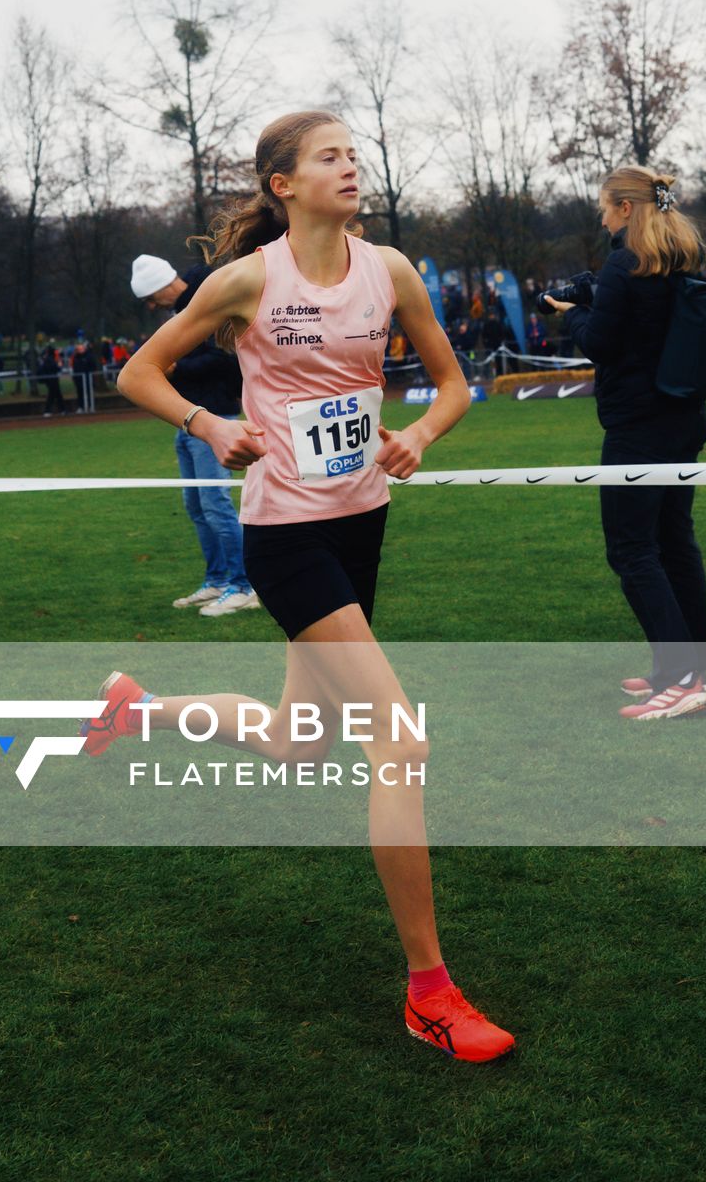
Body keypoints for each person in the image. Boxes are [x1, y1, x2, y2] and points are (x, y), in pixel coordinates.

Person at [106, 111, 514, 1061]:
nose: (351, 166)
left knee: (297, 741)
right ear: (283, 183)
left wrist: (417, 435)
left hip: (361, 522)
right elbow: (140, 371)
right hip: (285, 536)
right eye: (330, 156)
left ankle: (138, 709)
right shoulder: (248, 280)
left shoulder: (392, 270)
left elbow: (451, 387)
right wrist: (209, 427)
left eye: (354, 155)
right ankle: (429, 991)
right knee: (398, 737)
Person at [544, 167, 706, 724]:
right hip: (683, 419)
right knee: (673, 542)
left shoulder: (625, 264)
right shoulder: (683, 257)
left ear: (623, 207)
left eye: (603, 207)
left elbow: (600, 343)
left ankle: (682, 678)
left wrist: (574, 312)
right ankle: (684, 668)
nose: (600, 217)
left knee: (633, 550)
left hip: (639, 427)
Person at [129, 253, 258, 618]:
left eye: (152, 299)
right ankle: (218, 578)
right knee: (198, 506)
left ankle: (244, 584)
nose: (153, 306)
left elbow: (226, 358)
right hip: (189, 419)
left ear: (161, 287)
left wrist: (176, 366)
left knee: (216, 504)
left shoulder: (209, 300)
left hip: (214, 417)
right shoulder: (184, 310)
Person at [38, 344, 66, 416]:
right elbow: (55, 368)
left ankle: (62, 410)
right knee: (52, 395)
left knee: (56, 395)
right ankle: (48, 411)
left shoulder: (49, 358)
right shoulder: (49, 359)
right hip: (51, 379)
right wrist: (59, 366)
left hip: (52, 379)